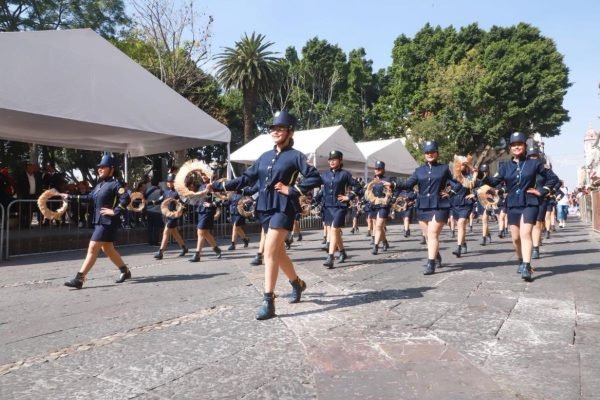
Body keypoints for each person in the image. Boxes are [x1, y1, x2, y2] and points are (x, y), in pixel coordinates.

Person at [211, 110, 322, 320]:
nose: (276, 132)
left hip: (283, 208)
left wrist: (293, 190)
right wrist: (220, 185)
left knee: (269, 251)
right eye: (274, 129)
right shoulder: (264, 157)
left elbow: (315, 177)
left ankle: (268, 300)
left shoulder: (296, 156)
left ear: (290, 132)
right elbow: (246, 179)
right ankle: (297, 283)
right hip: (264, 208)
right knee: (278, 253)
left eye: (281, 129)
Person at [482, 132, 558, 282]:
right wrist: (479, 175)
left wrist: (542, 191)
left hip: (530, 202)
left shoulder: (535, 163)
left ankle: (527, 265)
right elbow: (493, 181)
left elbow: (553, 179)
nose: (516, 147)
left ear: (524, 146)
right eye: (513, 145)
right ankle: (520, 259)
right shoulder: (504, 166)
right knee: (516, 238)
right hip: (512, 203)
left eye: (519, 144)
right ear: (510, 148)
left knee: (525, 234)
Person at [62, 155, 131, 289]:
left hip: (108, 222)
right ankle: (125, 271)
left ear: (111, 169)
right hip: (100, 221)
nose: (100, 169)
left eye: (103, 167)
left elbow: (126, 198)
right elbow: (89, 198)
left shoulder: (116, 184)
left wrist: (115, 211)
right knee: (108, 248)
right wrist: (70, 197)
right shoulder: (99, 185)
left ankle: (79, 278)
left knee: (93, 247)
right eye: (99, 167)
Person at [395, 140, 462, 275]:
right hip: (422, 206)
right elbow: (408, 184)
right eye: (427, 152)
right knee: (427, 236)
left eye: (432, 152)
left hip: (440, 205)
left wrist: (449, 193)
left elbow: (457, 184)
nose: (430, 154)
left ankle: (430, 263)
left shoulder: (444, 168)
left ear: (437, 153)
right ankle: (436, 255)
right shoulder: (419, 170)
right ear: (424, 154)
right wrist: (393, 184)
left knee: (432, 234)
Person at [320, 150, 357, 269]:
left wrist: (349, 196)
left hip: (340, 206)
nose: (331, 161)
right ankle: (342, 252)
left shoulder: (345, 174)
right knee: (334, 231)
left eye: (334, 159)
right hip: (328, 207)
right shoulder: (324, 175)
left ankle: (330, 257)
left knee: (334, 229)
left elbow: (358, 187)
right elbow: (322, 190)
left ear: (340, 161)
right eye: (330, 159)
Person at [188, 173, 223, 262]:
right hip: (200, 210)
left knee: (200, 231)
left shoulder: (214, 185)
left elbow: (222, 199)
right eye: (202, 175)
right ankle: (216, 249)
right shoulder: (201, 186)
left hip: (208, 212)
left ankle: (197, 254)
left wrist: (212, 204)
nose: (203, 176)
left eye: (205, 175)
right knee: (205, 233)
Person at [154, 173, 188, 259]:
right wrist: (149, 202)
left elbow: (184, 203)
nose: (169, 183)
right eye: (168, 181)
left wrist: (181, 207)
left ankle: (161, 252)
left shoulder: (178, 192)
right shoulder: (166, 191)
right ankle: (184, 248)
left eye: (171, 181)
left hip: (173, 215)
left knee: (166, 232)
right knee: (174, 232)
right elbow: (160, 200)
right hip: (166, 215)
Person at [449, 155, 477, 257]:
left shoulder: (470, 176)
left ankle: (459, 247)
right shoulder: (452, 177)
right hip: (454, 203)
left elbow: (480, 186)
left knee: (461, 223)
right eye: (459, 165)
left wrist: (475, 194)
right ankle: (463, 242)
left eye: (463, 165)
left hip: (466, 203)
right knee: (458, 226)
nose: (461, 167)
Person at [367, 161, 394, 255]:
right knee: (378, 226)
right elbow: (368, 191)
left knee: (378, 226)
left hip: (384, 205)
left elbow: (392, 188)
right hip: (374, 205)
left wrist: (387, 184)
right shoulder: (372, 180)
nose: (377, 170)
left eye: (379, 168)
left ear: (383, 169)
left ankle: (375, 246)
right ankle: (385, 242)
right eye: (376, 168)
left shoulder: (388, 179)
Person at [144, 175, 165, 246]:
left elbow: (144, 198)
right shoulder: (160, 191)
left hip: (149, 211)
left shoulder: (147, 190)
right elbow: (162, 200)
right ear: (158, 183)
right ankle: (155, 242)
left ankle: (150, 241)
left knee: (150, 226)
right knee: (156, 227)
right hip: (157, 211)